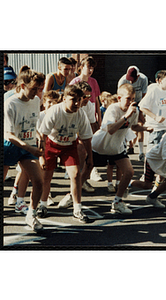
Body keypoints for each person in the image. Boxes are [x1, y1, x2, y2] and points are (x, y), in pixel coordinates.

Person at [91, 83, 153, 214]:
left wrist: (145, 128)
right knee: (83, 174)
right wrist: (126, 116)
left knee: (129, 172)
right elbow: (111, 129)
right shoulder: (113, 109)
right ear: (119, 98)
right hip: (100, 146)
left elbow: (133, 126)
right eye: (128, 99)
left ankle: (118, 201)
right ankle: (71, 196)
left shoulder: (133, 110)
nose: (131, 102)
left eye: (133, 99)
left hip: (116, 147)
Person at [38, 83, 93, 223]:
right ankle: (43, 205)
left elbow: (86, 138)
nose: (76, 103)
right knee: (47, 176)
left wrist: (90, 158)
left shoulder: (81, 114)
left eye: (79, 100)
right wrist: (41, 157)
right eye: (72, 99)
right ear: (64, 99)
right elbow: (42, 135)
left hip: (69, 145)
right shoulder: (55, 111)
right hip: (51, 144)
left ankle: (77, 209)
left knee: (75, 175)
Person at [4, 67, 45, 231]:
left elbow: (32, 121)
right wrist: (30, 147)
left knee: (39, 181)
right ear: (21, 85)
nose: (36, 93)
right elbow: (9, 134)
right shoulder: (10, 104)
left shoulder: (35, 101)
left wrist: (38, 134)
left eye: (39, 89)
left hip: (28, 146)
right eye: (33, 88)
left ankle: (31, 215)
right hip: (9, 145)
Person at [70, 56, 102, 182]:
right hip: (79, 117)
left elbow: (97, 102)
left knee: (91, 145)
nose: (90, 70)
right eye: (89, 67)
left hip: (91, 117)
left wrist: (98, 119)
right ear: (81, 67)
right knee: (80, 147)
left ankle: (92, 170)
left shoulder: (94, 82)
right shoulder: (75, 82)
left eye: (92, 68)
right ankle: (78, 171)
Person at [139, 70, 166, 151]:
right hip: (156, 128)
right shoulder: (153, 90)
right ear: (159, 81)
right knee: (152, 153)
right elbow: (142, 107)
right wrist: (155, 117)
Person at [118, 66, 148, 160]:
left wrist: (140, 110)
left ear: (138, 77)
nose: (130, 82)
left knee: (140, 123)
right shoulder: (122, 80)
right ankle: (124, 146)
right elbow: (119, 97)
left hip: (139, 101)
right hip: (126, 103)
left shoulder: (143, 79)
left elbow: (144, 95)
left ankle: (141, 152)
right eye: (129, 79)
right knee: (124, 123)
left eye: (133, 80)